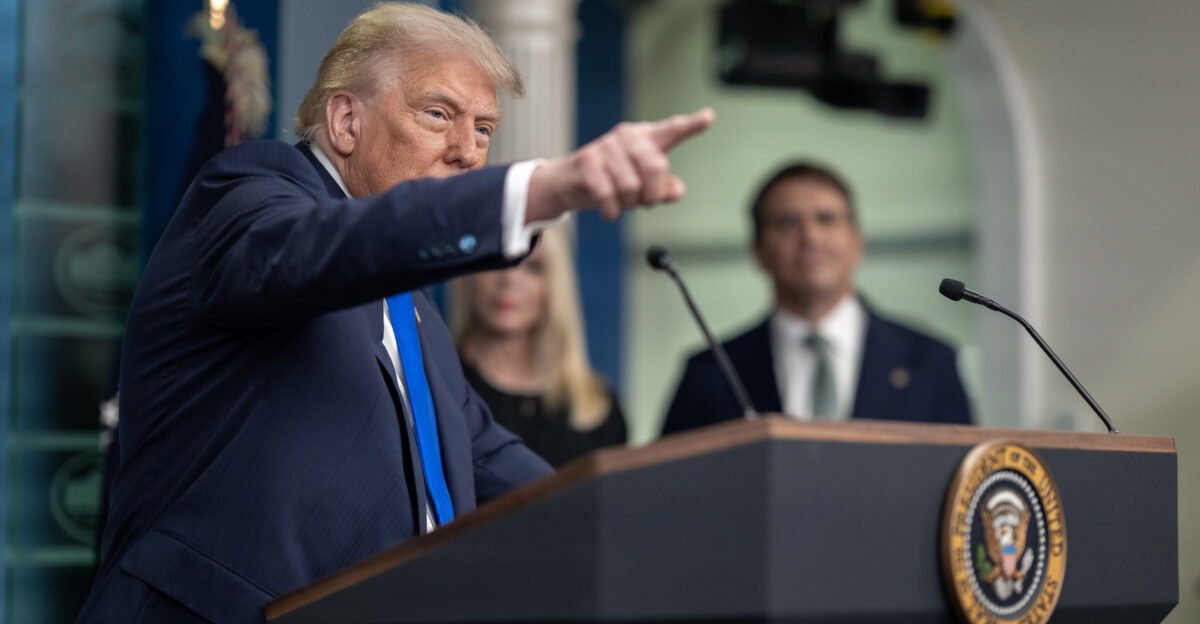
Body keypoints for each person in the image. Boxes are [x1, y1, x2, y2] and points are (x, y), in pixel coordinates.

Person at [76, 4, 714, 623]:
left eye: (485, 129)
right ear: (346, 121)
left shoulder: (414, 312)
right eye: (439, 114)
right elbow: (330, 248)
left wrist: (637, 533)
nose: (468, 150)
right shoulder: (246, 196)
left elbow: (481, 453)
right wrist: (546, 188)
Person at [662, 162, 970, 434]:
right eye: (788, 222)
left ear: (857, 243)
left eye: (826, 219)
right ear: (758, 251)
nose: (810, 236)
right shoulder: (709, 373)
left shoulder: (931, 362)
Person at [450, 224, 626, 467]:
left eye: (533, 267)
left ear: (555, 284)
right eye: (495, 261)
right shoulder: (440, 387)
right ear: (467, 276)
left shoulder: (600, 408)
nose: (509, 280)